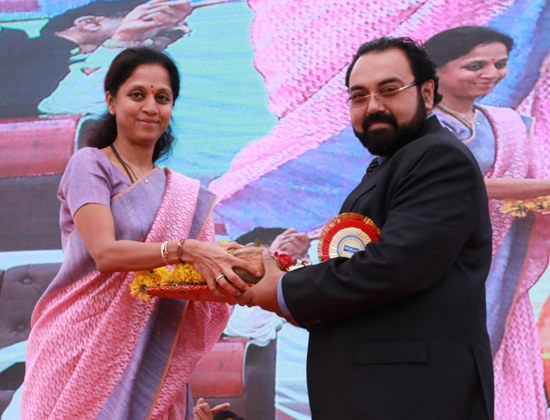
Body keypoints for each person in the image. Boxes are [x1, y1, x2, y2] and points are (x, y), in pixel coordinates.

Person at [238, 37, 494, 419]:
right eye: (359, 96)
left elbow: (395, 265)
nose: (373, 106)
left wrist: (281, 290)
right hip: (379, 391)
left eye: (389, 90)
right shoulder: (394, 163)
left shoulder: (438, 157)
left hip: (413, 396)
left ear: (427, 93)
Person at [20, 46, 259, 419]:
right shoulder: (90, 165)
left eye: (162, 98)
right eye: (137, 95)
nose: (151, 106)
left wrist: (244, 266)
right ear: (112, 102)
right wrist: (186, 250)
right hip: (77, 348)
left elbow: (198, 275)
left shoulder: (184, 194)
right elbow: (106, 253)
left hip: (152, 350)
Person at [423, 26, 550, 420]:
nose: (491, 73)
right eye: (474, 65)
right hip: (440, 263)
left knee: (507, 352)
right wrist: (542, 186)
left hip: (503, 268)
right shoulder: (417, 126)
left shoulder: (509, 123)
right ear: (435, 71)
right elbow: (456, 182)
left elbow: (532, 187)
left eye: (500, 64)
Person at [0, 0, 193, 118]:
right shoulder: (13, 43)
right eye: (148, 21)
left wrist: (144, 45)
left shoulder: (108, 75)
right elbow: (53, 105)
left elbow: (70, 109)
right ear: (90, 23)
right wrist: (124, 38)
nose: (151, 33)